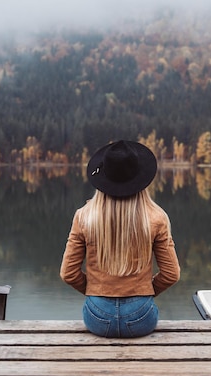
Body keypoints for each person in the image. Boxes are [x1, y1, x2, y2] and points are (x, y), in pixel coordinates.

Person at [60, 140, 180, 338]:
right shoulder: (157, 218)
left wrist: (96, 291)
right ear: (141, 180)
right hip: (141, 317)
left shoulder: (83, 217)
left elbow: (68, 273)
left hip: (97, 318)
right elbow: (171, 274)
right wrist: (144, 292)